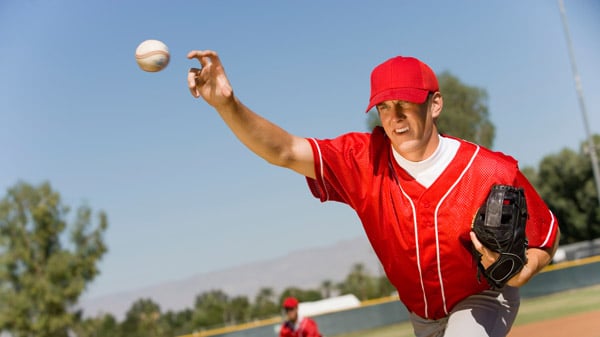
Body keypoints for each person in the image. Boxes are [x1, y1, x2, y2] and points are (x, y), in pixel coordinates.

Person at [186, 50, 560, 337]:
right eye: (384, 107)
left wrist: (524, 270)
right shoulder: (362, 161)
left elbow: (546, 235)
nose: (394, 117)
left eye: (405, 104)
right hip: (421, 315)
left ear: (435, 103)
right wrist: (227, 105)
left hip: (480, 298)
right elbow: (284, 150)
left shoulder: (490, 170)